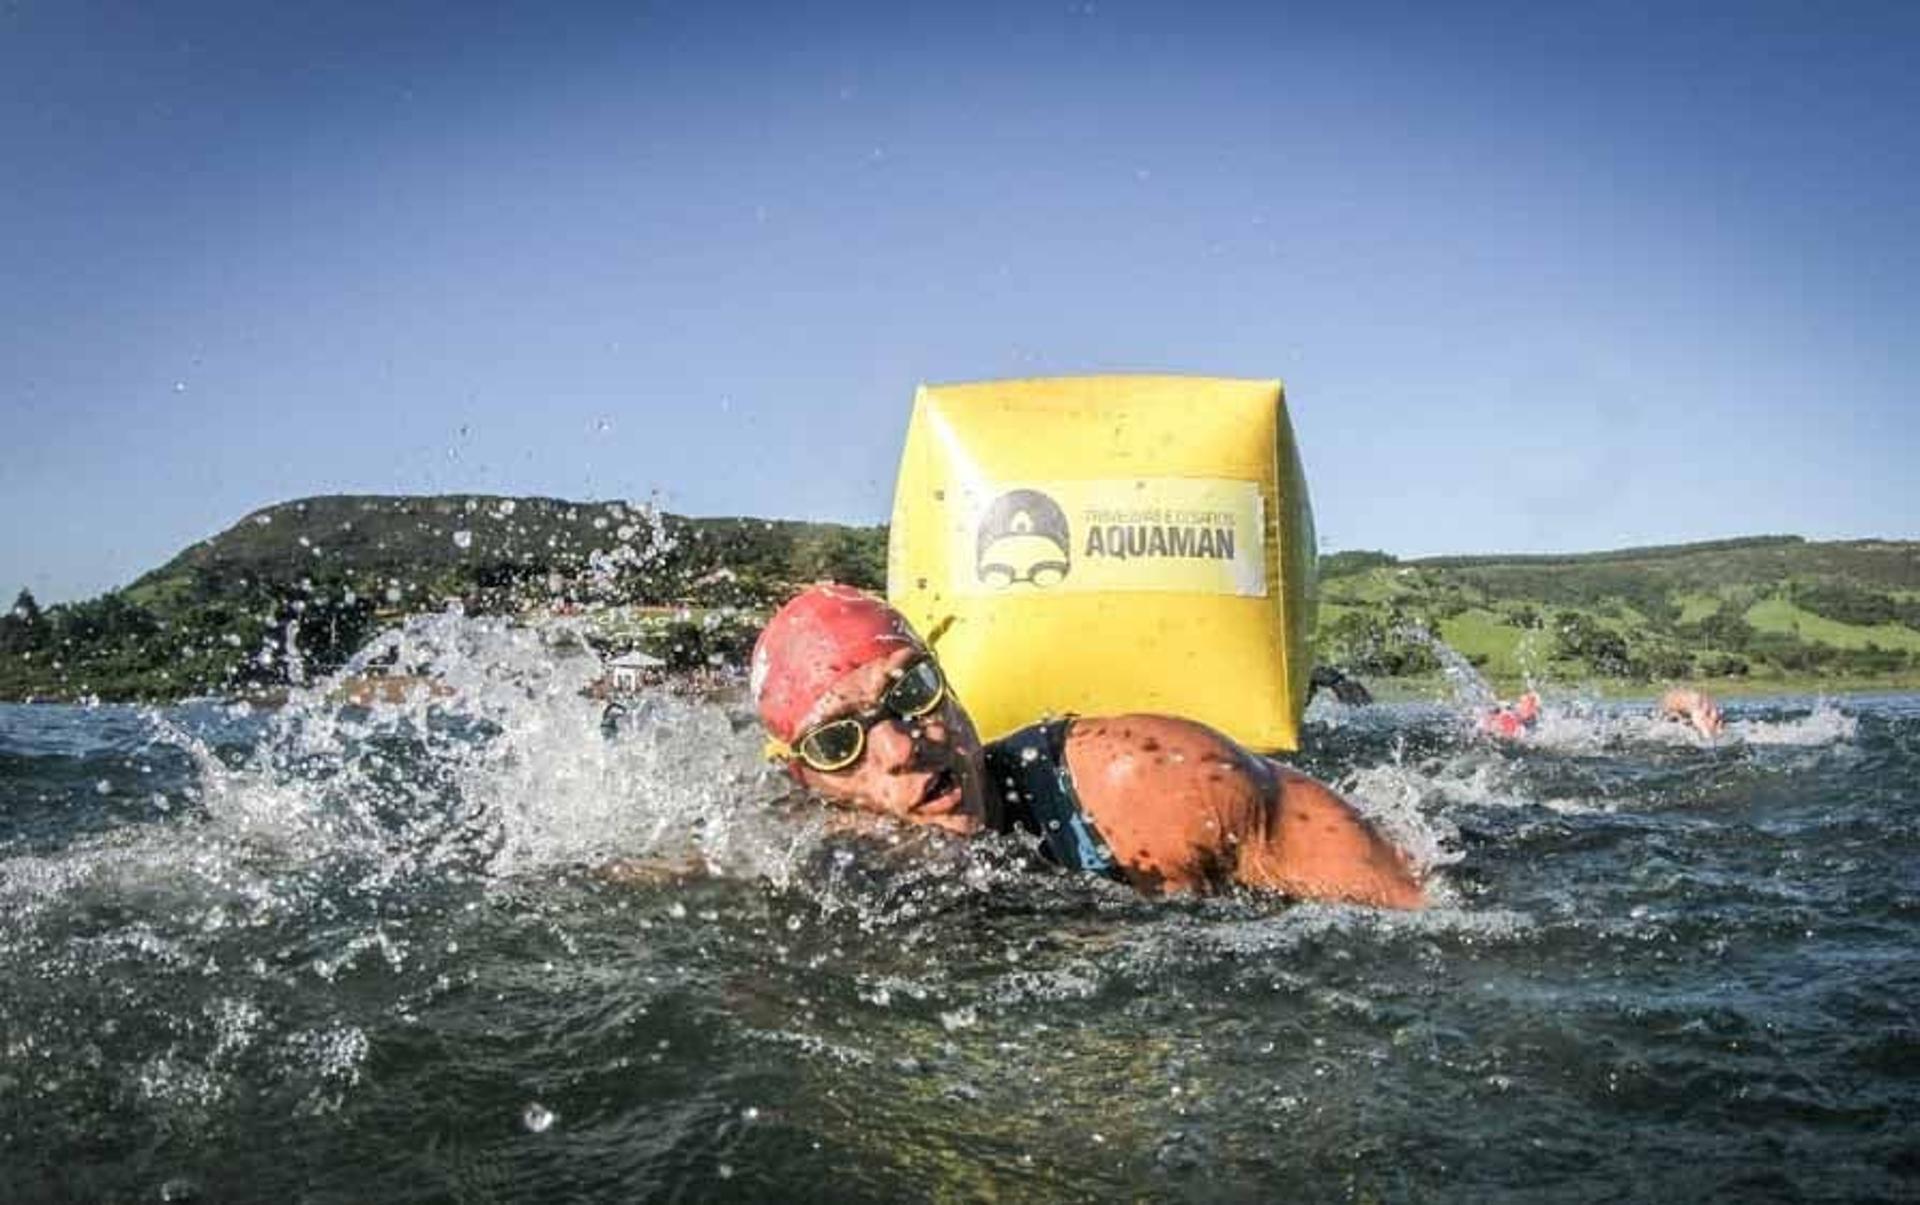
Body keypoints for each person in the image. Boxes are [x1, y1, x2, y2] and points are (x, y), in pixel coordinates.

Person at [751, 584, 1426, 909]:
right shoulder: (806, 855)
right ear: (809, 783)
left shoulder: (1148, 784)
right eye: (840, 741)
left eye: (912, 688)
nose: (901, 747)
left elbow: (1423, 913)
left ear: (948, 681)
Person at [1657, 686, 1724, 737]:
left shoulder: (1674, 705)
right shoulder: (1681, 701)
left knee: (1706, 730)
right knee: (1714, 727)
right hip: (1704, 705)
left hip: (1696, 707)